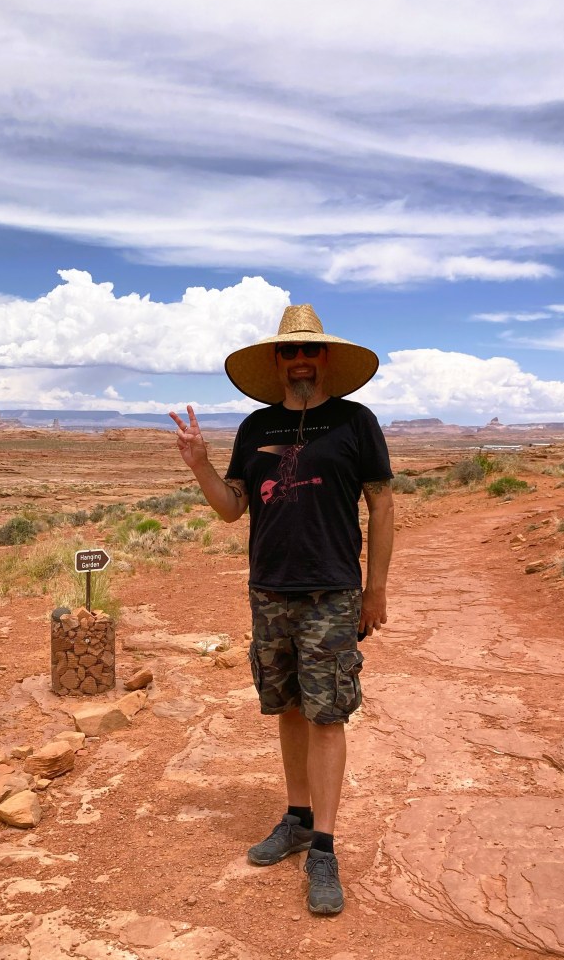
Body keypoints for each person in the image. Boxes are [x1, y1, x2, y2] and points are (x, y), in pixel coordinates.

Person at [169, 303, 394, 916]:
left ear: (325, 358)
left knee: (327, 715)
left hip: (332, 590)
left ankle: (324, 847)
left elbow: (381, 506)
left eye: (309, 350)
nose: (299, 360)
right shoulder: (255, 427)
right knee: (289, 707)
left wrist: (375, 590)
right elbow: (231, 508)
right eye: (289, 351)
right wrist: (200, 466)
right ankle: (297, 819)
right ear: (277, 361)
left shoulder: (355, 422)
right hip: (269, 590)